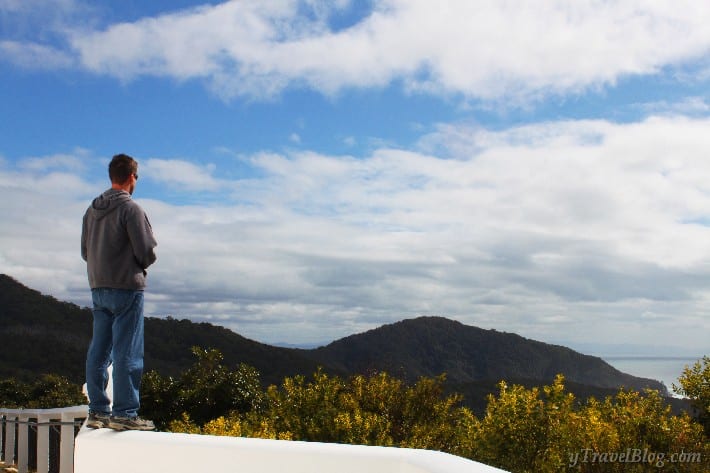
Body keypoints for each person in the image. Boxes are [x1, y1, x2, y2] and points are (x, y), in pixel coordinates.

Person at [81, 153, 157, 431]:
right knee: (128, 350)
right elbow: (146, 252)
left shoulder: (91, 210)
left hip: (98, 286)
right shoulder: (131, 210)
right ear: (132, 177)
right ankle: (125, 412)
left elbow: (84, 252)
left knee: (99, 350)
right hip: (126, 287)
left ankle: (98, 410)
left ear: (112, 175)